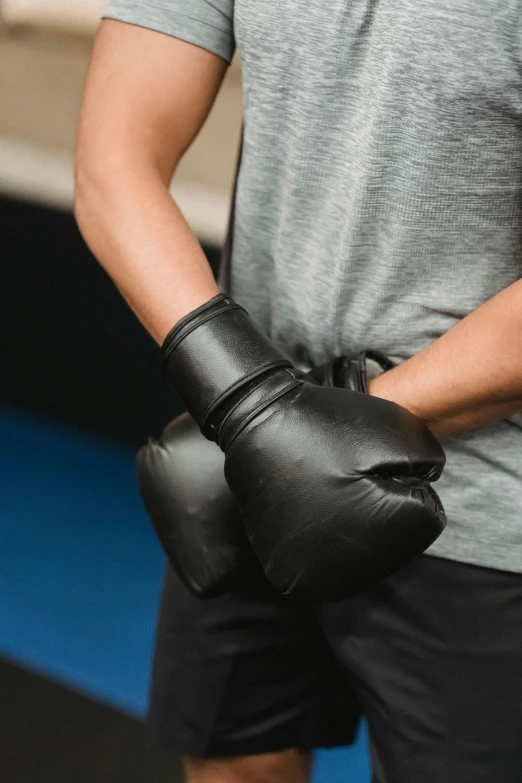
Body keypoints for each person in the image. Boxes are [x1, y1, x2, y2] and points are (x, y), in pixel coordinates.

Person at [73, 1, 522, 781]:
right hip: (246, 467)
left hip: (483, 504)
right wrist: (249, 403)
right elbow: (115, 159)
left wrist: (286, 426)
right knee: (233, 762)